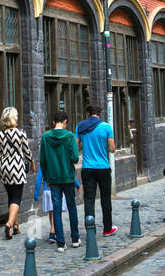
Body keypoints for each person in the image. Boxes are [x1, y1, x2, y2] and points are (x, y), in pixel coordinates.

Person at [0, 106, 34, 240]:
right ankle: (9, 224)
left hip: (5, 168)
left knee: (11, 196)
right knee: (17, 198)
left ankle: (16, 226)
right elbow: (26, 151)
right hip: (17, 167)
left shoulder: (0, 135)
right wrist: (32, 163)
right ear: (14, 118)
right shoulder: (20, 133)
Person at [40, 110, 80, 251]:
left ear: (53, 122)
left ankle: (61, 243)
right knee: (71, 207)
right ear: (65, 121)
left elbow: (43, 160)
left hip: (53, 178)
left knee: (56, 209)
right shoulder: (69, 136)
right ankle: (75, 239)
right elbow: (75, 157)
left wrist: (47, 178)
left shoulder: (45, 137)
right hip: (68, 177)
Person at [76, 105, 117, 237]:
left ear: (88, 113)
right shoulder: (106, 127)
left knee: (89, 199)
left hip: (88, 168)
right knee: (105, 199)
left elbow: (75, 147)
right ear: (99, 114)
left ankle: (90, 229)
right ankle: (107, 229)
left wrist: (84, 143)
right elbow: (112, 148)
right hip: (103, 168)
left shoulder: (80, 127)